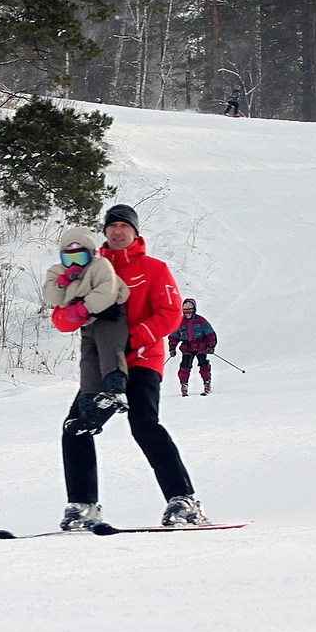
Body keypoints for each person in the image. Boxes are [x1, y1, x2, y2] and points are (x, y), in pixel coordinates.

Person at [57, 204, 210, 531]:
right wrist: (68, 316)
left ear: (135, 233)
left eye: (124, 226)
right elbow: (65, 315)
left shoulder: (154, 269)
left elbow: (170, 314)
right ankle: (82, 506)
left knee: (144, 424)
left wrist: (134, 338)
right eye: (112, 226)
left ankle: (184, 502)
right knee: (75, 426)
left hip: (142, 360)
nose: (117, 231)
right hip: (103, 363)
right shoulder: (90, 268)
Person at [43, 226, 132, 445]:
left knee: (109, 347)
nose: (75, 263)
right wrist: (63, 281)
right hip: (88, 323)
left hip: (109, 314)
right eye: (69, 257)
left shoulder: (100, 266)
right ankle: (90, 412)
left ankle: (115, 387)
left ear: (91, 254)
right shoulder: (57, 272)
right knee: (88, 360)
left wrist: (85, 307)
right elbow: (51, 295)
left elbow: (107, 290)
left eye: (80, 256)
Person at [170, 298, 218, 397]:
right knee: (185, 364)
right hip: (187, 348)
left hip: (201, 346)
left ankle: (207, 382)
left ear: (194, 309)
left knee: (203, 363)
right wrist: (172, 348)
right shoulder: (180, 322)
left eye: (190, 310)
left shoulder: (201, 320)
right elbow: (174, 336)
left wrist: (211, 346)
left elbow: (210, 333)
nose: (188, 313)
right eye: (185, 310)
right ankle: (184, 384)